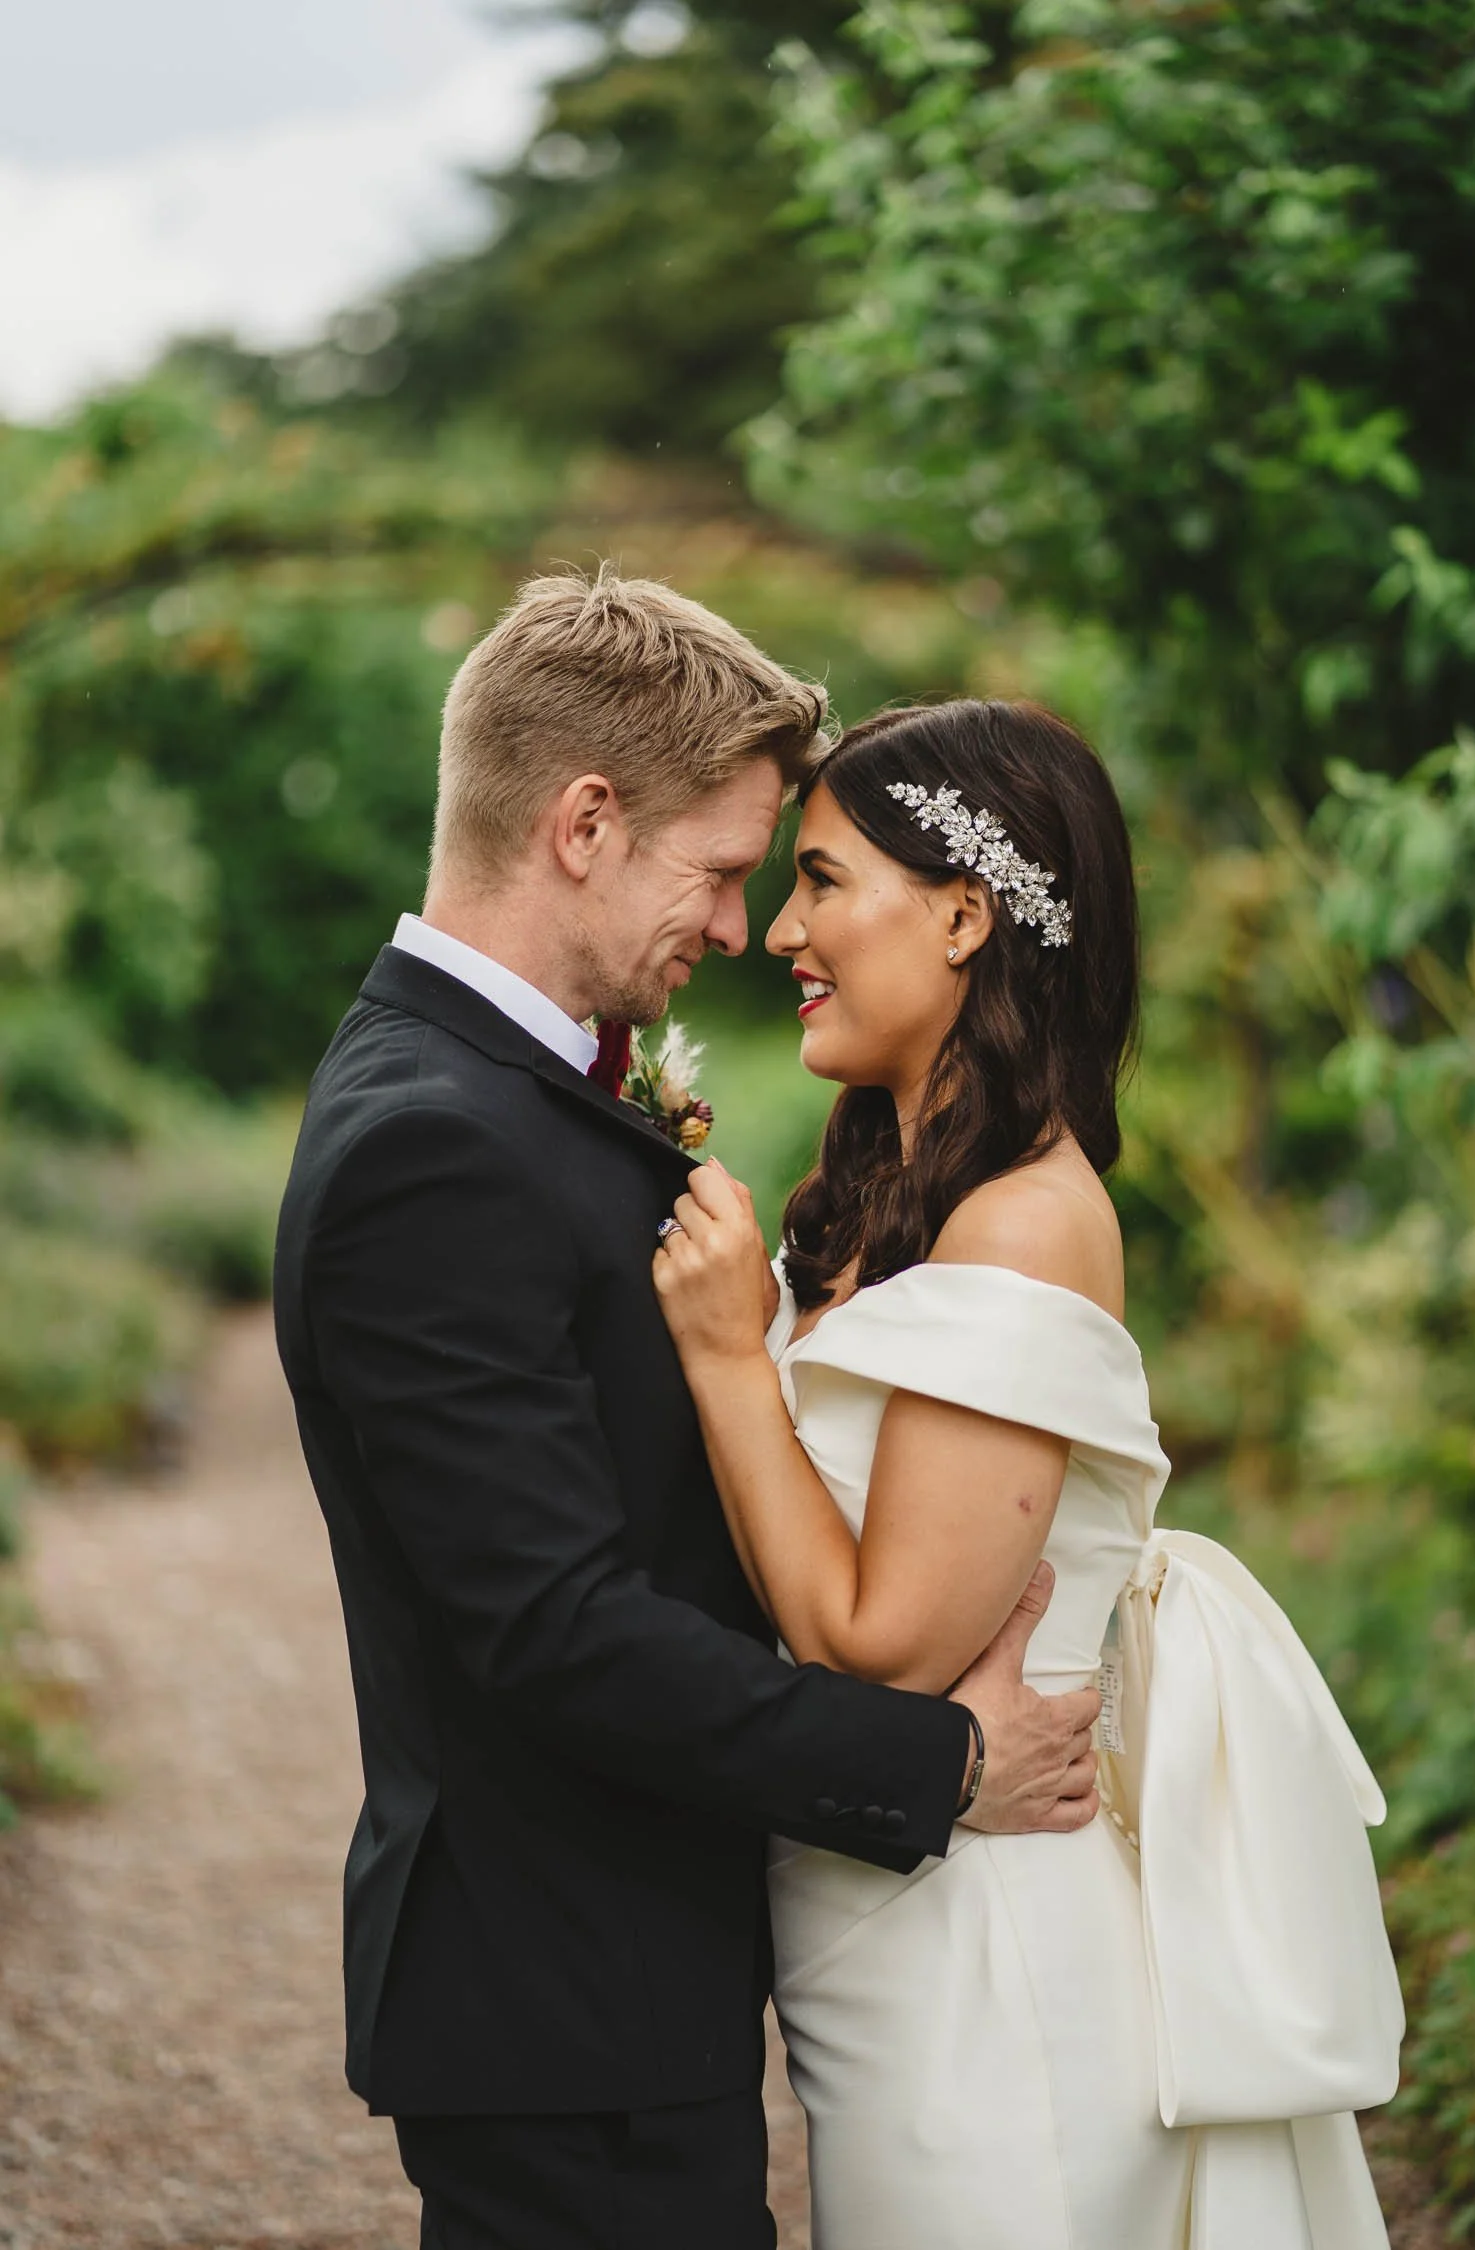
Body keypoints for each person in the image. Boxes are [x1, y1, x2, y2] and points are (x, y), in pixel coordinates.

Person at [273, 575, 1103, 2250]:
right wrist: (938, 1764)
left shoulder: (500, 1094)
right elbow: (555, 1627)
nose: (740, 931)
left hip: (623, 1977)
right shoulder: (432, 1145)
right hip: (559, 1994)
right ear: (585, 822)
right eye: (723, 871)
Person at [652, 698, 1405, 2250]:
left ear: (963, 914)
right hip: (893, 1921)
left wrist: (732, 1358)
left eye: (822, 879)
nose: (782, 928)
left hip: (992, 1949)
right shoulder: (880, 1191)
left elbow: (884, 1646)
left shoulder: (1028, 1219)